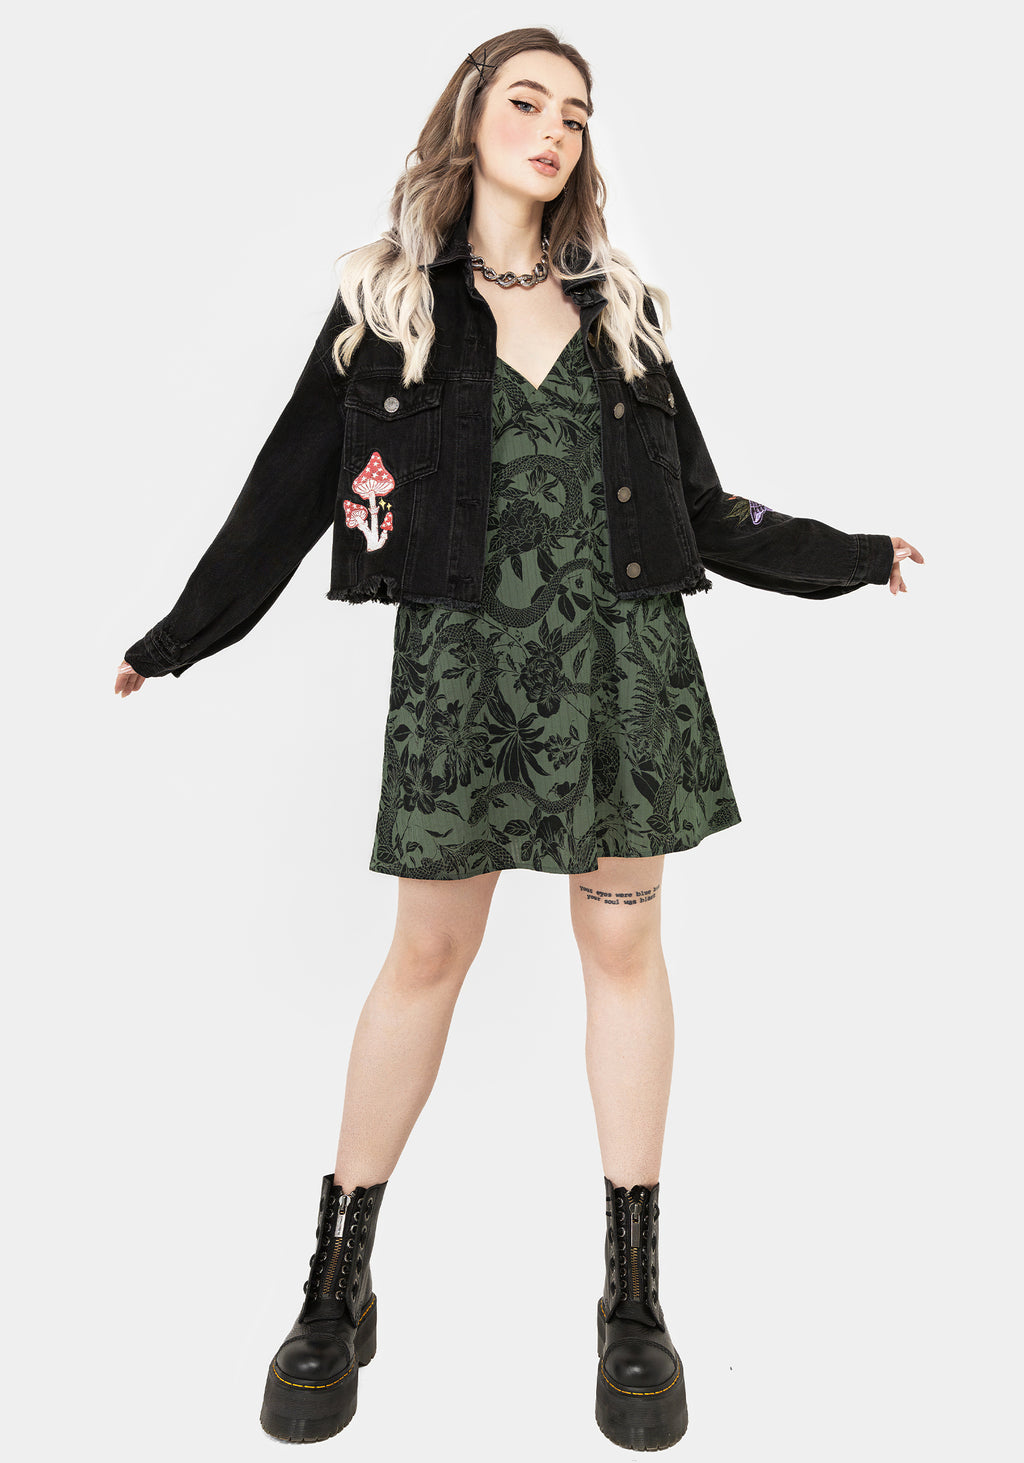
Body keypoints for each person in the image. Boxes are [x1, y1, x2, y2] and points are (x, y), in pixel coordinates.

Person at [115, 28, 923, 1451]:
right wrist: (181, 635)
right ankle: (337, 1283)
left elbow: (703, 509)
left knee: (625, 955)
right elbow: (285, 492)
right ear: (472, 119)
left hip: (622, 672)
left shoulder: (622, 311)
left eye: (577, 114)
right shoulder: (389, 309)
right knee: (427, 959)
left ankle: (632, 1301)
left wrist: (848, 555)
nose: (554, 130)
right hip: (462, 677)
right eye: (528, 102)